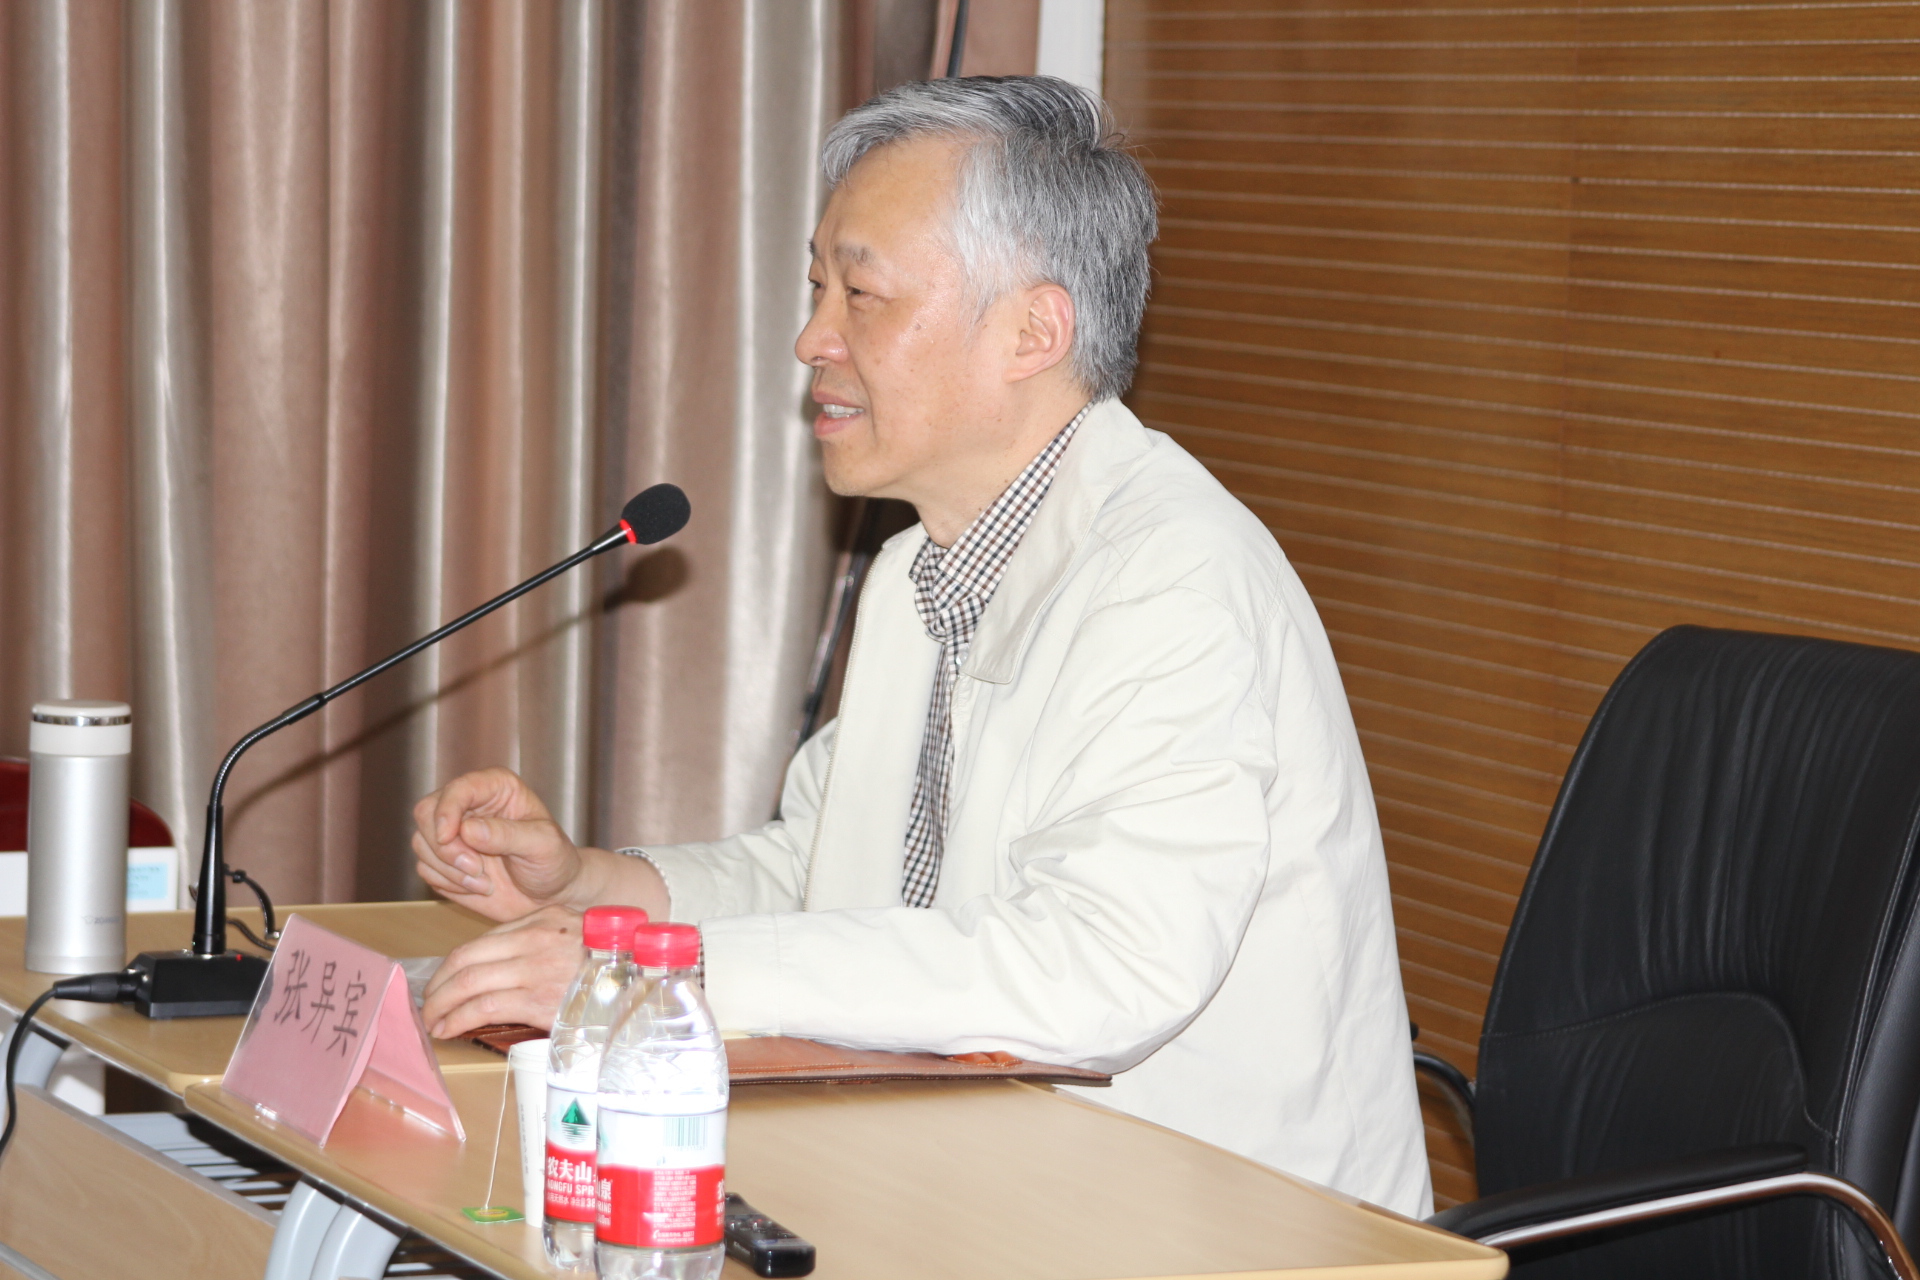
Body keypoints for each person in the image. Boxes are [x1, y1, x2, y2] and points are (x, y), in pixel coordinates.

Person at [413, 75, 1430, 1216]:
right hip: (983, 1177)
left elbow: (1099, 970)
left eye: (862, 293)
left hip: (1225, 1228)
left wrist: (678, 966)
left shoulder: (1174, 581)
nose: (811, 338)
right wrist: (594, 888)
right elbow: (821, 869)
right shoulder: (918, 569)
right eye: (816, 286)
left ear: (1033, 331)